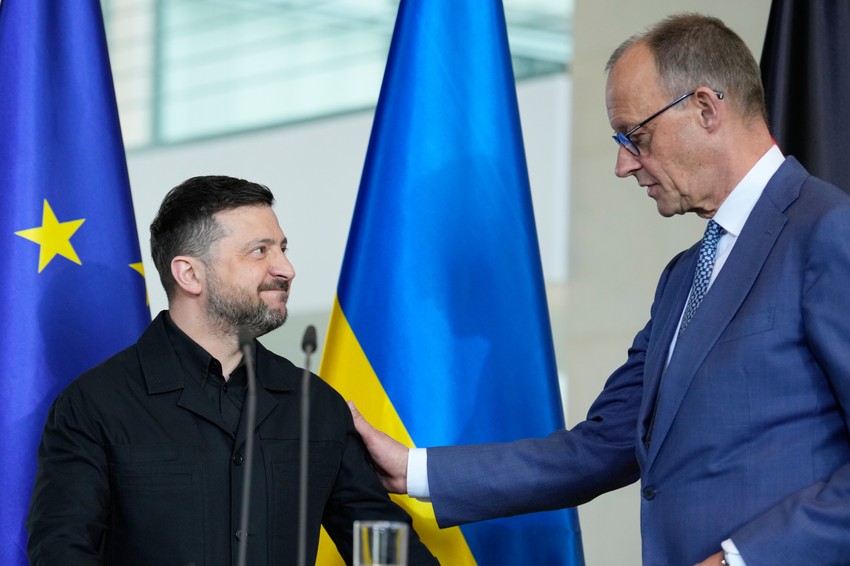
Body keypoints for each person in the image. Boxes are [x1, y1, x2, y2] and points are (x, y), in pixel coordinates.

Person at [349, 13, 850, 566]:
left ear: (707, 109)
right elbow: (600, 446)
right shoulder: (683, 277)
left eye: (636, 136)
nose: (622, 164)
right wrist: (410, 468)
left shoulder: (827, 230)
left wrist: (742, 560)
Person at [27, 176, 439, 565]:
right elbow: (63, 551)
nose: (286, 269)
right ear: (189, 274)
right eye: (260, 251)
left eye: (282, 249)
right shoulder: (94, 404)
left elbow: (385, 548)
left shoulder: (316, 404)